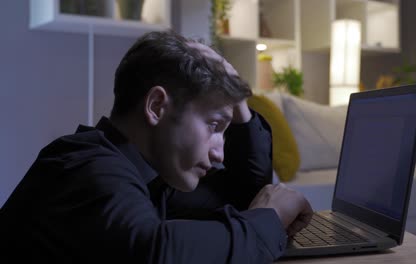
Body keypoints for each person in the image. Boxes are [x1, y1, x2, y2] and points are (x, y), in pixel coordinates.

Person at [0, 31, 313, 263]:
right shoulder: (83, 166)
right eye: (214, 126)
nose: (219, 153)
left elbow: (244, 200)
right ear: (157, 106)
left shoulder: (150, 177)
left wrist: (238, 103)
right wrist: (270, 216)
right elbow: (156, 252)